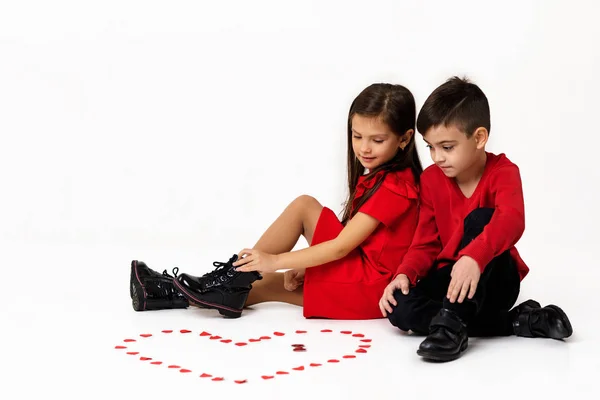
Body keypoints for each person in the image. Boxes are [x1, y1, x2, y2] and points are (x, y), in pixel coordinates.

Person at [130, 83, 423, 320]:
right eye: (357, 136)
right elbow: (355, 244)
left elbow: (342, 245)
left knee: (270, 270)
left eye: (377, 140)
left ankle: (188, 286)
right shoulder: (380, 176)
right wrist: (304, 267)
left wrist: (275, 261)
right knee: (294, 222)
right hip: (360, 269)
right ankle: (177, 290)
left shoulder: (396, 186)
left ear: (404, 139)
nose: (364, 148)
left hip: (371, 288)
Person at [379, 77, 573, 362]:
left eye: (447, 147)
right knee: (399, 308)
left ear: (479, 138)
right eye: (430, 147)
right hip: (453, 278)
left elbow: (512, 220)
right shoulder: (432, 180)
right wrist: (404, 274)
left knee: (482, 218)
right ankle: (516, 322)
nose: (437, 157)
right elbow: (425, 244)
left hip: (495, 277)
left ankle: (450, 327)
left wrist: (475, 257)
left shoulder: (504, 172)